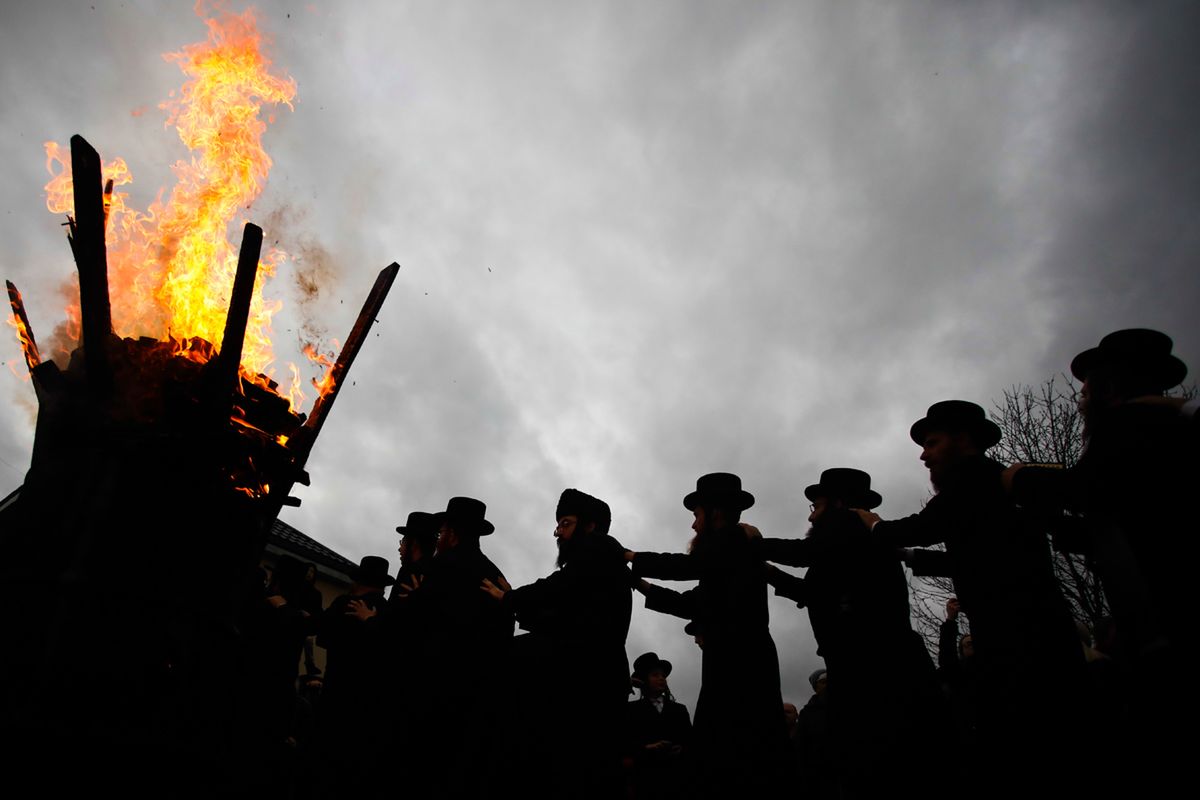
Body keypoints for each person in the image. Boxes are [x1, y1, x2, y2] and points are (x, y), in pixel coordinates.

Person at [856, 401, 1086, 797]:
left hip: (1016, 635)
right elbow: (976, 558)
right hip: (1034, 628)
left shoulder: (973, 477)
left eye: (932, 443)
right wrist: (909, 556)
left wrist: (874, 526)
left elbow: (923, 526)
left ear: (962, 440)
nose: (923, 456)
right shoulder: (989, 488)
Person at [1004, 329, 1196, 794]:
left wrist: (1020, 479)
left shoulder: (1134, 426)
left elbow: (1085, 489)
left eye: (1086, 392)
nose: (1080, 403)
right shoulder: (1164, 429)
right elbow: (1112, 522)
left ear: (1109, 388)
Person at [751, 468, 934, 798]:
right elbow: (813, 592)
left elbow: (802, 554)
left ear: (836, 503)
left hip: (873, 668)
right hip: (877, 664)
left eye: (816, 506)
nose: (812, 516)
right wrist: (768, 572)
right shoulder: (846, 545)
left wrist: (753, 545)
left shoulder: (847, 526)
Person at [627, 472, 790, 793]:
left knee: (736, 760)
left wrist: (630, 557)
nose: (693, 525)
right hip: (735, 668)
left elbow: (685, 568)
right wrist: (640, 584)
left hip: (740, 671)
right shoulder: (727, 560)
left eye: (696, 515)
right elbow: (692, 603)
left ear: (714, 513)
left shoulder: (731, 545)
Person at [481, 489, 632, 796]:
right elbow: (564, 619)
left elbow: (554, 589)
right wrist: (515, 600)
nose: (556, 532)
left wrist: (509, 598)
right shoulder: (594, 565)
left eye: (565, 523)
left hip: (588, 689)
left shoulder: (595, 552)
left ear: (589, 526)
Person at [623, 652, 692, 800]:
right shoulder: (631, 709)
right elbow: (624, 742)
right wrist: (647, 747)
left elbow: (691, 739)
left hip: (676, 780)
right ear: (644, 680)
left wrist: (682, 748)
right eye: (655, 675)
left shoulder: (680, 709)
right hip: (644, 780)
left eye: (663, 676)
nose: (662, 678)